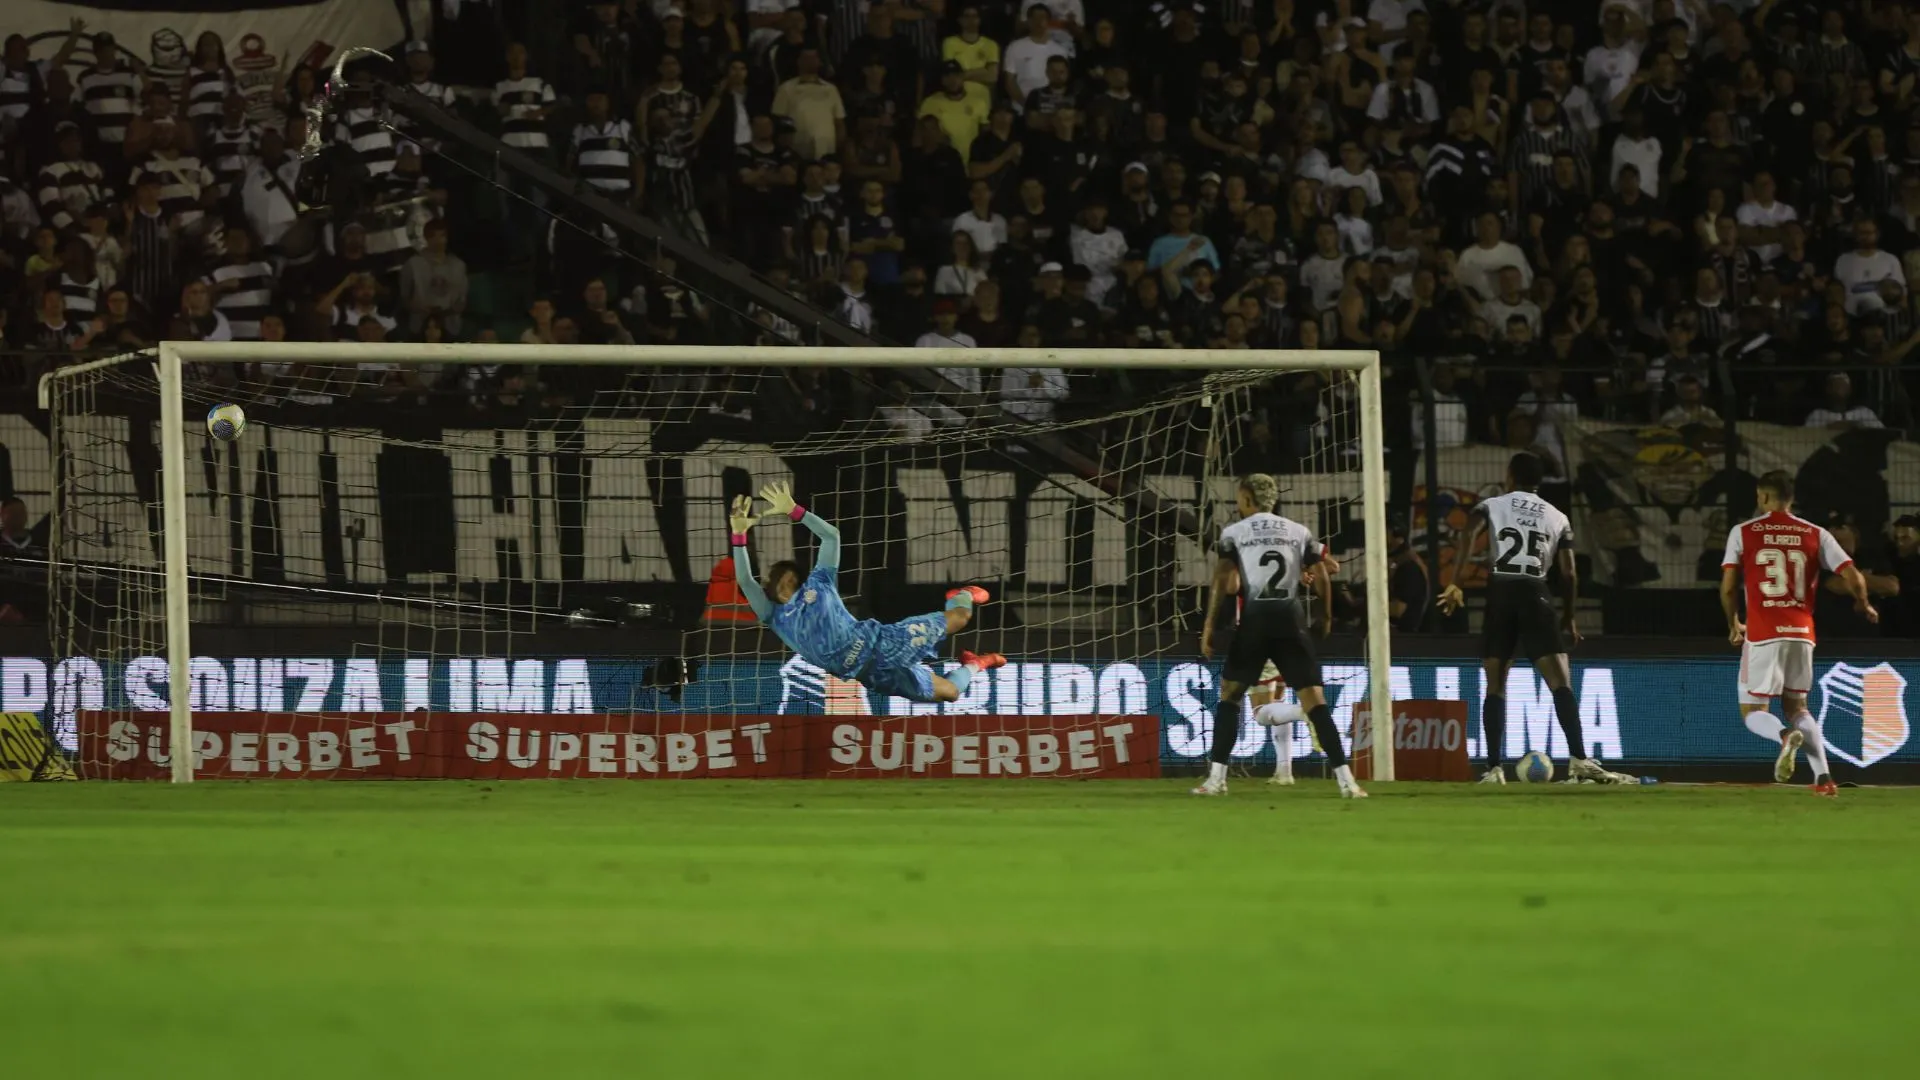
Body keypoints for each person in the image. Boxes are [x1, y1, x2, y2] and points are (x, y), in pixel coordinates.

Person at [1437, 452, 1635, 785]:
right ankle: (1579, 761)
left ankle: (1495, 768)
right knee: (1560, 681)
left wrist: (1455, 580)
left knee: (1495, 683)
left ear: (1509, 476)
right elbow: (1570, 573)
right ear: (1538, 482)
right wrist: (1569, 615)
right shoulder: (1557, 516)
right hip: (1534, 592)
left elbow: (1468, 533)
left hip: (1500, 591)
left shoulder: (1493, 504)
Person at [728, 482, 1004, 704]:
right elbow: (744, 578)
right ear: (773, 585)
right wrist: (739, 536)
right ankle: (975, 664)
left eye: (790, 577)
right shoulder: (775, 616)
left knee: (959, 618)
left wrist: (794, 510)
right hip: (870, 674)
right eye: (781, 579)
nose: (786, 583)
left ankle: (964, 593)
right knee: (949, 693)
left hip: (885, 642)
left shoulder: (819, 584)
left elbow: (831, 537)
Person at [1195, 473, 1363, 799]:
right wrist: (1326, 616)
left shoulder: (1234, 532)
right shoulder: (1298, 531)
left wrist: (1209, 625)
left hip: (1255, 622)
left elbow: (1223, 579)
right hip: (1291, 621)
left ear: (1246, 499)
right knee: (1315, 700)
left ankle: (1217, 780)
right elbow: (1325, 577)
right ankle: (1348, 783)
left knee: (1230, 696)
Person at [1719, 471, 1876, 797]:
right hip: (1802, 631)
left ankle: (1782, 737)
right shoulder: (1815, 533)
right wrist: (1863, 603)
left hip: (1763, 631)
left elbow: (1729, 587)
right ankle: (1824, 779)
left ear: (1762, 497)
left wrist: (1734, 622)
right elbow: (1852, 574)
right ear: (1791, 499)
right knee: (1798, 707)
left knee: (1753, 712)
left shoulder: (1744, 532)